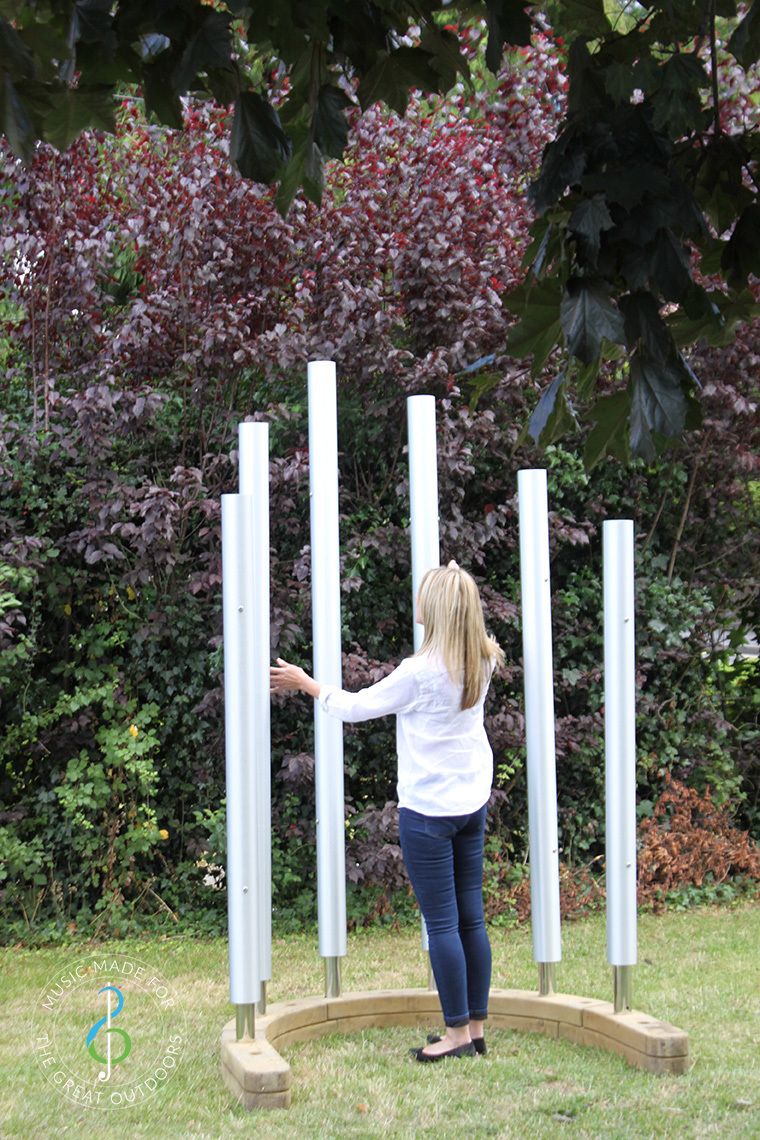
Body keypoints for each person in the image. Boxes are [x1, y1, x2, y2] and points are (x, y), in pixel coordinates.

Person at [270, 560, 504, 1062]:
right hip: (470, 803)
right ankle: (477, 1031)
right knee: (471, 919)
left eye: (424, 593)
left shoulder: (419, 673)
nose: (415, 600)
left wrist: (306, 683)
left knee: (442, 924)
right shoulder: (484, 658)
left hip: (428, 813)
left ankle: (457, 1036)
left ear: (436, 609)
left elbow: (355, 708)